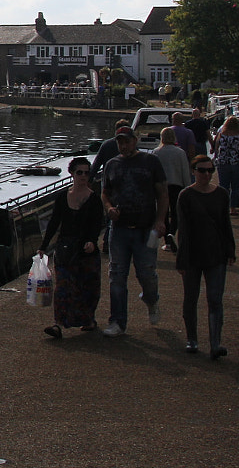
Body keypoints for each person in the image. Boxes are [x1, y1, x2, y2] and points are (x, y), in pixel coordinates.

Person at [99, 128, 168, 336]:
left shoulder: (151, 162)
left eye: (127, 141)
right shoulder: (112, 165)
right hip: (119, 230)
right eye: (120, 142)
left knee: (146, 273)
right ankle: (117, 321)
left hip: (144, 229)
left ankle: (151, 299)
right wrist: (109, 208)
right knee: (117, 276)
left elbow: (163, 193)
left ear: (135, 141)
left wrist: (160, 220)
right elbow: (105, 193)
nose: (123, 146)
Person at [37, 156, 104, 339]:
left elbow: (97, 223)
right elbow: (54, 223)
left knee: (87, 287)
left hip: (86, 251)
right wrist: (43, 246)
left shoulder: (94, 200)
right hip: (66, 249)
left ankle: (89, 320)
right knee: (63, 287)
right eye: (79, 172)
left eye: (87, 173)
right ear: (72, 174)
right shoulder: (62, 197)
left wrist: (92, 240)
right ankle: (58, 324)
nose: (83, 176)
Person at [176, 155, 236, 359]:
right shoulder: (186, 196)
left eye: (210, 170)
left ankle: (215, 343)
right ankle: (192, 339)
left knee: (215, 299)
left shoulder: (221, 194)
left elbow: (225, 224)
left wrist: (230, 250)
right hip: (192, 255)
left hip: (216, 253)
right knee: (190, 298)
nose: (206, 174)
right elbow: (182, 230)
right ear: (194, 171)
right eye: (202, 170)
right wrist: (181, 259)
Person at [151, 127, 192, 253]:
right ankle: (173, 234)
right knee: (176, 212)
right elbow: (185, 171)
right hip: (177, 185)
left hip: (161, 187)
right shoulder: (180, 152)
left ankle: (167, 240)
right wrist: (188, 187)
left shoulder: (156, 152)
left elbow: (152, 172)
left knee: (162, 213)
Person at [212, 115, 239, 216]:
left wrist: (218, 157)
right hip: (237, 163)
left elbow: (216, 148)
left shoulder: (221, 135)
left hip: (223, 162)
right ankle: (233, 208)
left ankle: (223, 207)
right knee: (235, 186)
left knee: (223, 186)